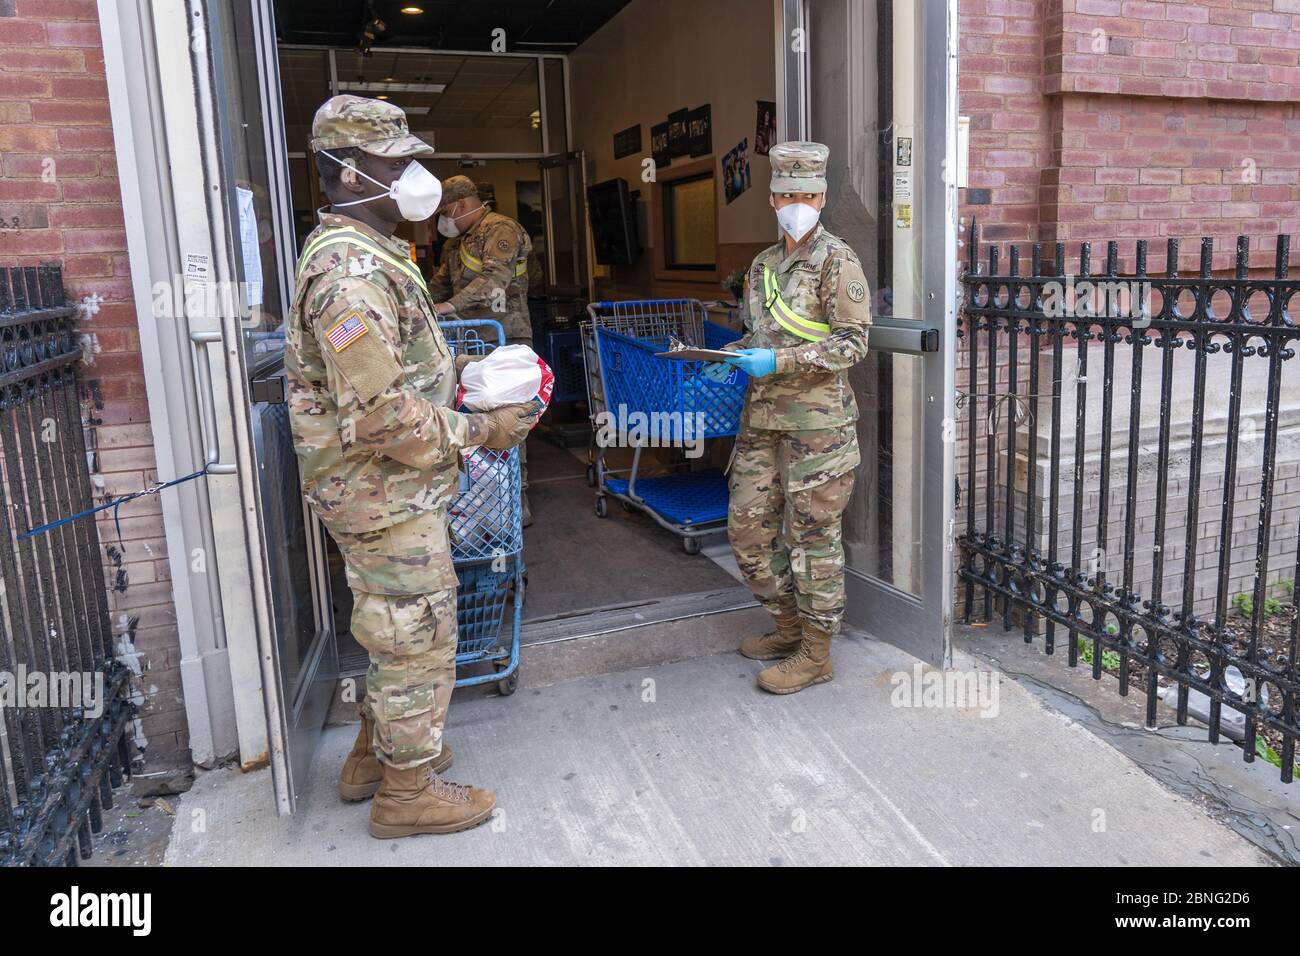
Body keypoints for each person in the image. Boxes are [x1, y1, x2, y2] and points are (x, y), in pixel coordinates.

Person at [285, 94, 537, 839]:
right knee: (416, 634)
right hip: (380, 490)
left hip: (386, 487)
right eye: (396, 163)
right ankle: (407, 793)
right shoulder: (348, 276)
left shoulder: (371, 256)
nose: (415, 176)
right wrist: (482, 429)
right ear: (349, 172)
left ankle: (374, 756)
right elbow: (383, 413)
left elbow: (397, 371)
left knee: (396, 631)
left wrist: (464, 366)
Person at [709, 141, 872, 695]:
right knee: (748, 528)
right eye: (785, 194)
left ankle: (817, 653)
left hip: (817, 428)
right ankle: (788, 628)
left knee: (811, 538)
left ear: (822, 197)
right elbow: (763, 334)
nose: (795, 202)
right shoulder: (762, 266)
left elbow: (852, 345)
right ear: (771, 199)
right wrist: (730, 358)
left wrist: (778, 360)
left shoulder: (837, 260)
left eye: (805, 193)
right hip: (762, 420)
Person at [429, 175, 537, 525]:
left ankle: (515, 506)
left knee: (509, 420)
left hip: (506, 339)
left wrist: (449, 307)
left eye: (444, 211)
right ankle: (482, 501)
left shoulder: (501, 229)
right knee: (473, 419)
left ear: (460, 205)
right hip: (469, 342)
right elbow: (438, 285)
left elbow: (495, 280)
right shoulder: (455, 244)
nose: (442, 220)